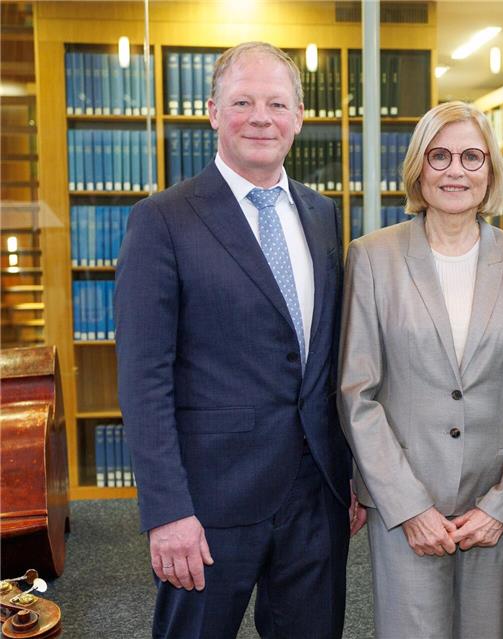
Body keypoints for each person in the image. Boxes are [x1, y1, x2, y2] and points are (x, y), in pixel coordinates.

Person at [115, 41, 364, 639]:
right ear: (211, 111)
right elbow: (144, 380)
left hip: (315, 494)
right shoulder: (163, 219)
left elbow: (329, 359)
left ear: (300, 117)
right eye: (242, 102)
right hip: (208, 504)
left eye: (277, 103)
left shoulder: (322, 214)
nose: (261, 117)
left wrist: (351, 473)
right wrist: (167, 511)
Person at [338, 101, 503, 639]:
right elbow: (356, 394)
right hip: (405, 503)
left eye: (471, 157)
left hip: (494, 505)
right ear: (418, 167)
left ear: (490, 171)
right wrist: (408, 505)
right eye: (439, 156)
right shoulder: (372, 258)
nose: (455, 170)